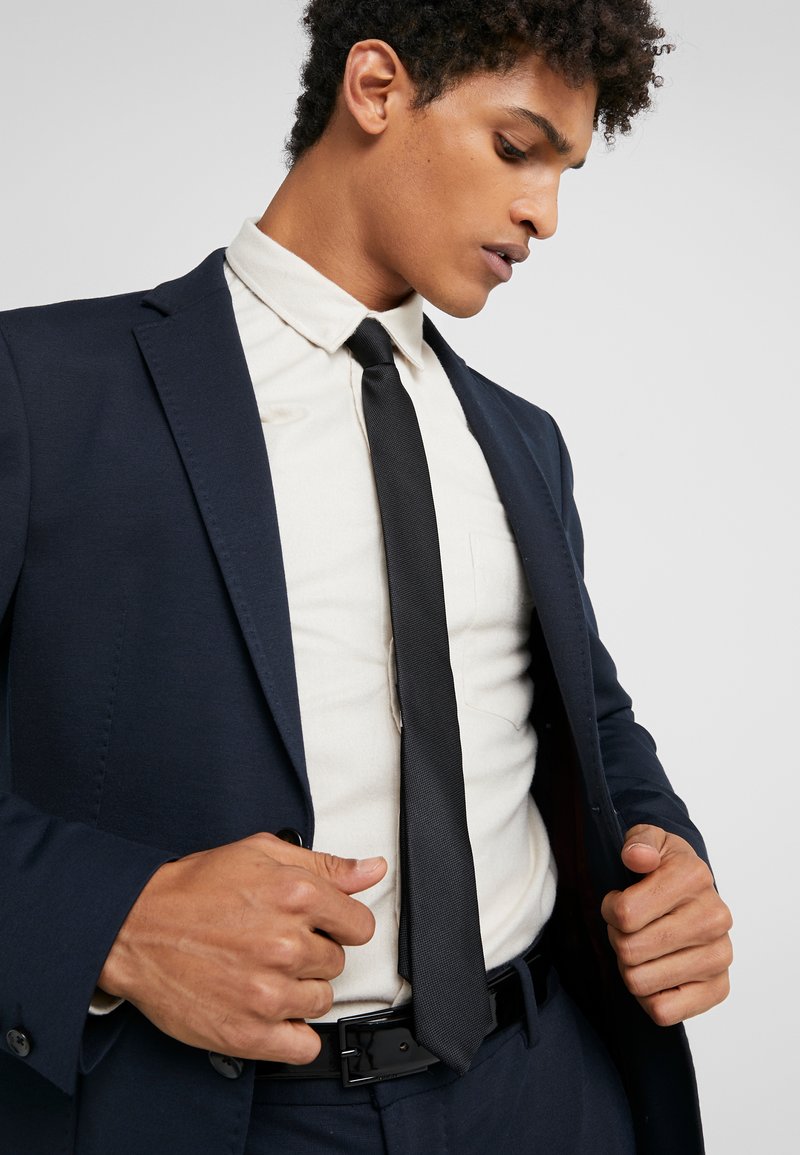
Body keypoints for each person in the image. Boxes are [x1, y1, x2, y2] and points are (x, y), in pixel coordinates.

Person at [0, 2, 732, 1153]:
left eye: (565, 173)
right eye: (516, 147)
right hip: (216, 1113)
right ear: (377, 89)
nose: (543, 214)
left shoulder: (521, 440)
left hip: (549, 1086)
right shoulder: (38, 388)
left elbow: (586, 720)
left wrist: (664, 854)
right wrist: (113, 926)